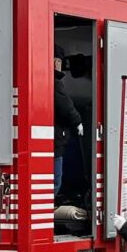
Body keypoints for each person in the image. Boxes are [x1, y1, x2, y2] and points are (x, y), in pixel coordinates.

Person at [52, 46, 83, 194]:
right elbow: (65, 106)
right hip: (55, 142)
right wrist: (77, 121)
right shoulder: (54, 82)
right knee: (55, 182)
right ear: (56, 61)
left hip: (51, 141)